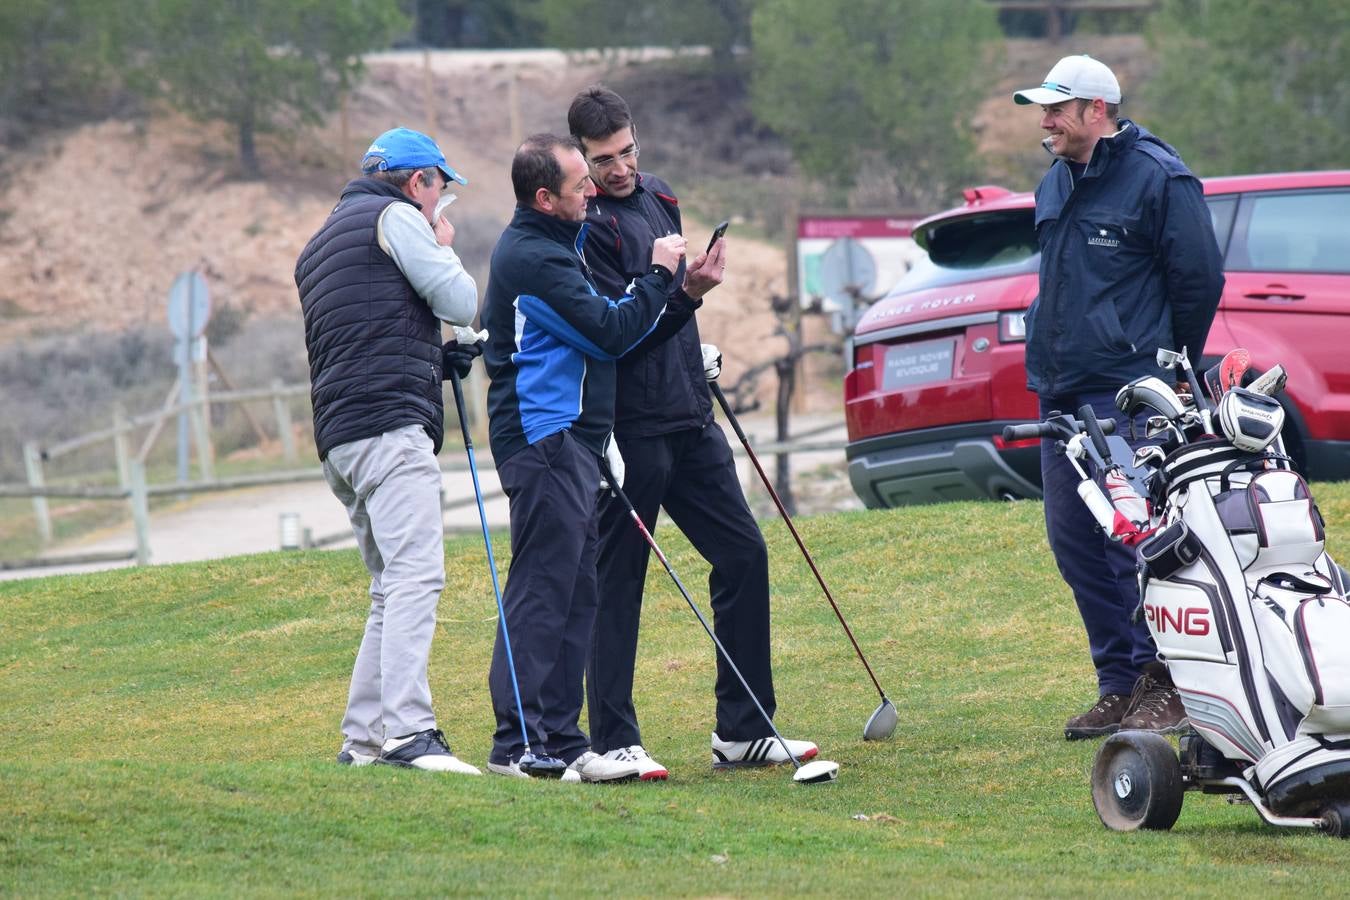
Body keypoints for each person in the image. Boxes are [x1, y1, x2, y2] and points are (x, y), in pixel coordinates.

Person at [567, 86, 818, 779]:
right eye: (602, 160)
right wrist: (686, 297)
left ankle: (743, 729)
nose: (620, 170)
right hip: (631, 429)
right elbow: (617, 333)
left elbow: (670, 307)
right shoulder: (586, 229)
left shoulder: (661, 195)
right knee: (618, 581)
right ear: (581, 159)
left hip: (689, 416)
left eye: (626, 152)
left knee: (744, 557)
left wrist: (690, 319)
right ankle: (612, 739)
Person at [480, 133, 711, 782]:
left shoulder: (559, 242)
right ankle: (515, 743)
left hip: (576, 440)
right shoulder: (533, 258)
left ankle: (562, 740)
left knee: (578, 588)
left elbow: (611, 326)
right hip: (541, 436)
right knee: (543, 587)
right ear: (545, 197)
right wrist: (663, 277)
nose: (593, 190)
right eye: (580, 183)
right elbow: (609, 331)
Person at [1013, 56, 1225, 740]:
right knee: (1075, 545)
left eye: (1058, 108)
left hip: (1127, 394)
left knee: (1134, 545)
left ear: (1096, 110)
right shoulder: (1056, 181)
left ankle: (1169, 684)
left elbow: (1198, 281)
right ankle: (1119, 685)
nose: (1045, 121)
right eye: (1043, 109)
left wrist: (1159, 371)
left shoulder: (1159, 177)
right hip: (1061, 391)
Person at [294, 127, 485, 773]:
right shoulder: (398, 218)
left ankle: (364, 741)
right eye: (441, 189)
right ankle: (410, 732)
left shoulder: (321, 241)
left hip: (341, 442)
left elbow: (367, 338)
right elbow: (461, 300)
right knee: (415, 577)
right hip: (388, 431)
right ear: (417, 181)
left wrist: (433, 359)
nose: (441, 203)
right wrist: (443, 248)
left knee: (387, 587)